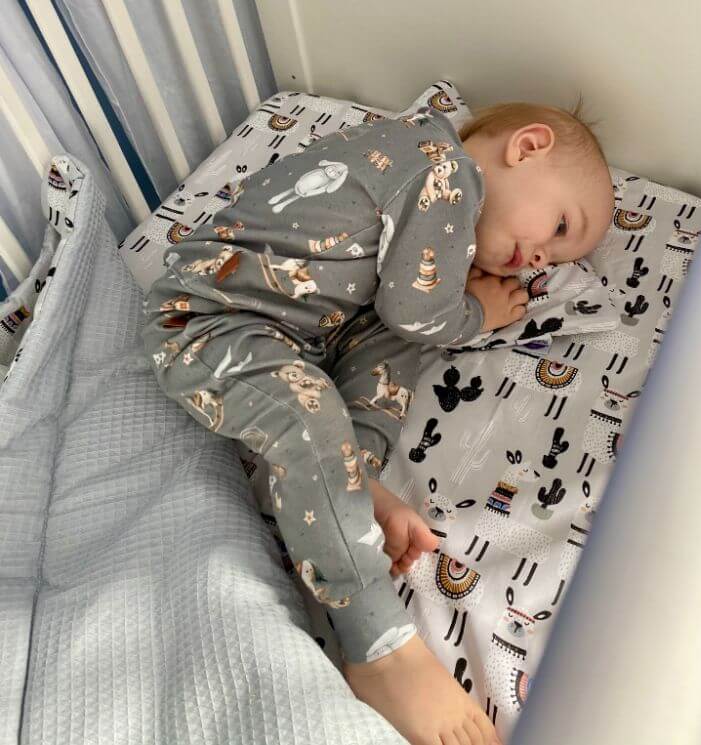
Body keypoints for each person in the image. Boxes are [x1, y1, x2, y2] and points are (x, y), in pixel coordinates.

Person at [141, 98, 614, 745]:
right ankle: (379, 645)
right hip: (209, 321)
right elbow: (416, 309)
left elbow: (398, 318)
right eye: (559, 227)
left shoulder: (431, 186)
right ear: (527, 146)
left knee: (391, 353)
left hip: (311, 325)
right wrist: (478, 313)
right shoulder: (443, 171)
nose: (540, 261)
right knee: (332, 396)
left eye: (555, 260)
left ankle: (350, 482)